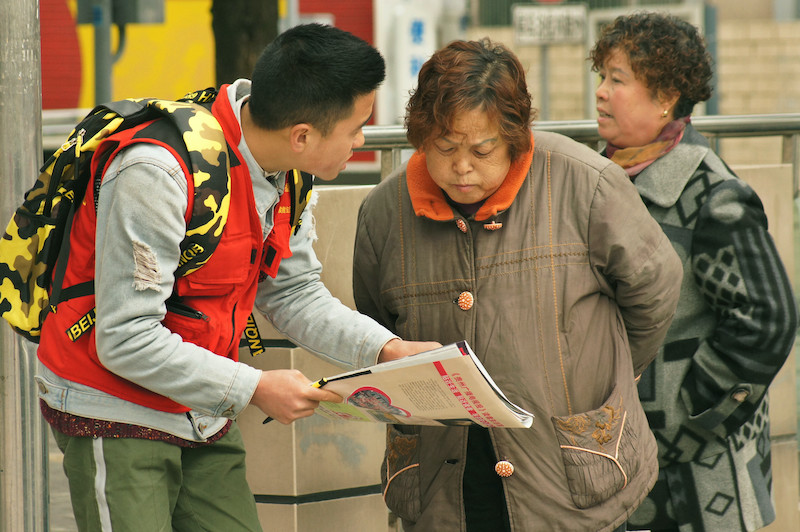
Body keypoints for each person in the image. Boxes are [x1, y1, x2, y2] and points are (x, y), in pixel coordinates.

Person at [35, 23, 438, 531]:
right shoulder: (156, 172)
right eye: (356, 128)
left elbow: (293, 292)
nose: (361, 140)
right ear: (303, 136)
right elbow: (125, 337)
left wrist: (385, 350)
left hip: (201, 406)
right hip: (114, 409)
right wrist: (254, 387)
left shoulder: (289, 171)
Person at [352, 38, 683, 532]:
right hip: (444, 476)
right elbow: (374, 325)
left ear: (514, 135)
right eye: (444, 148)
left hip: (570, 468)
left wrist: (614, 369)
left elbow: (655, 288)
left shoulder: (586, 184)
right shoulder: (383, 212)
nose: (462, 167)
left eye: (482, 150)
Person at [590, 12, 799, 532]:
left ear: (665, 97)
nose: (600, 93)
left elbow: (766, 322)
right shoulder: (599, 179)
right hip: (616, 457)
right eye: (602, 77)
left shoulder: (713, 197)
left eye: (617, 80)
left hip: (701, 481)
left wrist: (690, 419)